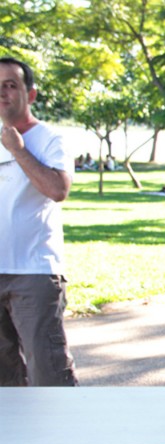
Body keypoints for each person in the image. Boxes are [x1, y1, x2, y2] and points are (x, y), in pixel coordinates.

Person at [0, 57, 78, 386]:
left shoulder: (49, 138)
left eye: (10, 85)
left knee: (49, 374)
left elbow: (57, 189)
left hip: (33, 272)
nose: (2, 92)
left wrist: (19, 150)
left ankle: (68, 439)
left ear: (30, 95)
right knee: (4, 380)